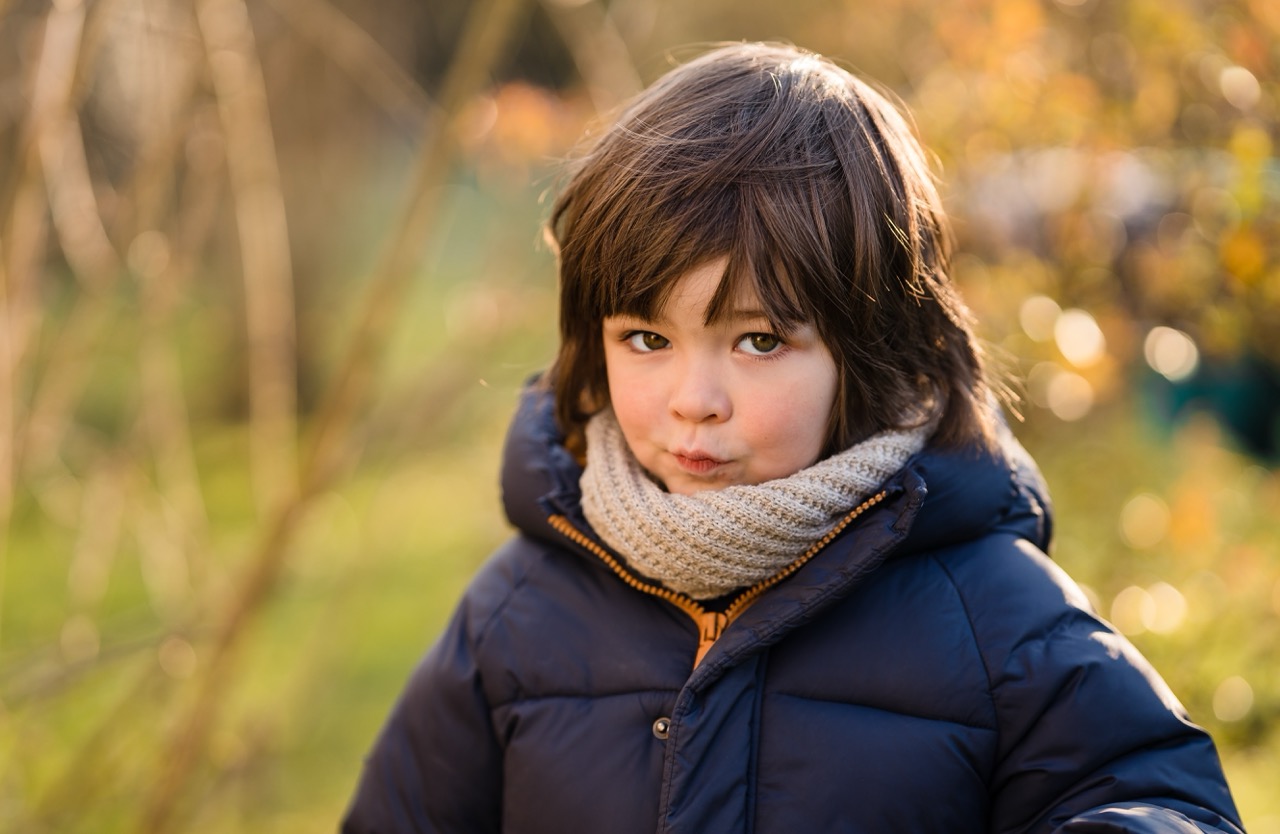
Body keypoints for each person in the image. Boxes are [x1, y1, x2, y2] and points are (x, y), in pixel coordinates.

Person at [342, 43, 1245, 833]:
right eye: (646, 340)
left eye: (759, 341)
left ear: (867, 347)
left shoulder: (992, 610)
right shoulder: (521, 612)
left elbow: (1167, 801)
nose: (695, 400)